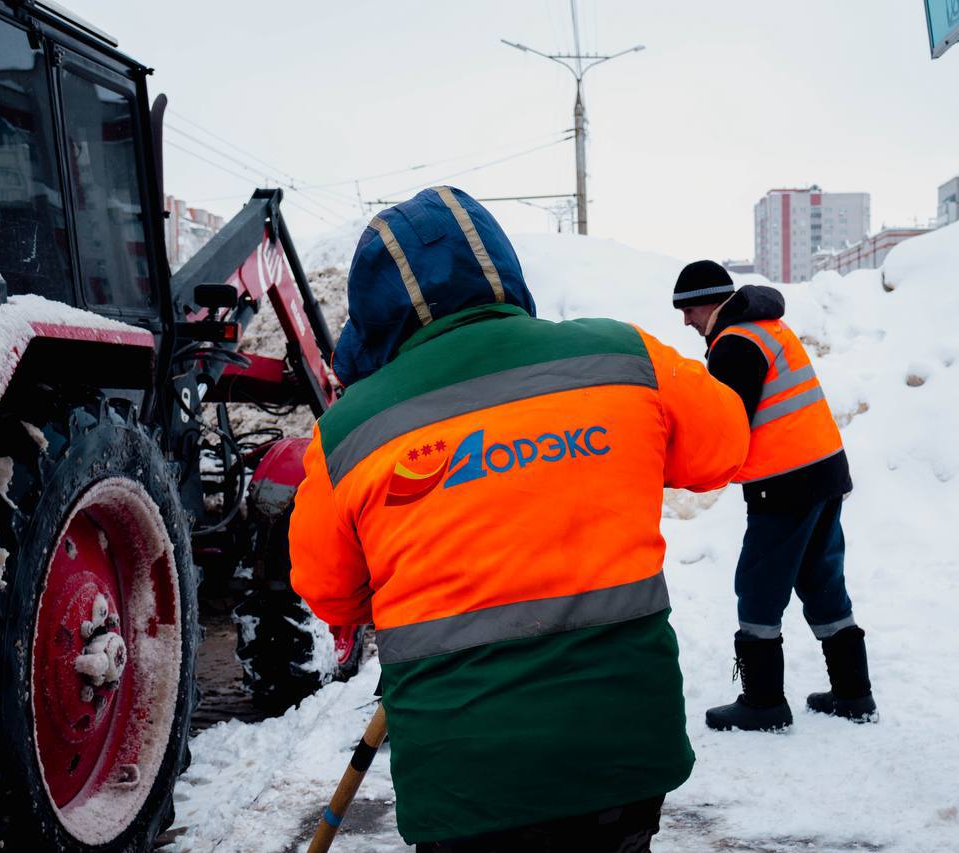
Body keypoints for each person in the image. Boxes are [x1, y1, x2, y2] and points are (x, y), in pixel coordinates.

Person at [289, 188, 750, 852]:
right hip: (621, 761)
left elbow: (330, 590)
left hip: (462, 780)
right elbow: (725, 442)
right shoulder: (622, 357)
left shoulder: (349, 434)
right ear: (502, 269)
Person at [671, 260, 876, 732]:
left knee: (759, 587)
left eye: (689, 308)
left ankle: (763, 703)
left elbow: (727, 425)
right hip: (822, 471)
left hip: (784, 482)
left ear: (713, 300)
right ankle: (853, 693)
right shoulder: (767, 328)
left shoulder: (736, 344)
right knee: (820, 578)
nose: (686, 320)